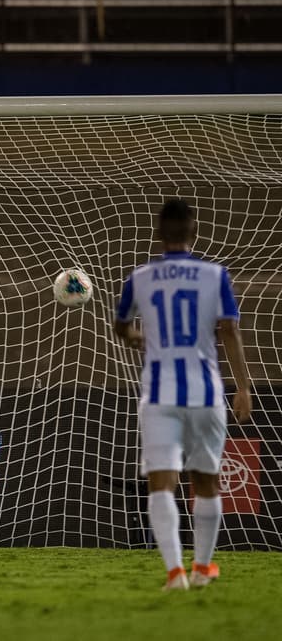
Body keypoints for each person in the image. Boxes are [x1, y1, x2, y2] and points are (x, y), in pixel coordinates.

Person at [114, 198, 252, 590]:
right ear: (194, 233)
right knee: (206, 480)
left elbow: (121, 328)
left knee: (162, 483)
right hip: (205, 392)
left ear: (159, 234)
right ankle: (202, 568)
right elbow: (229, 331)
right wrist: (242, 387)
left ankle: (175, 573)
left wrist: (143, 336)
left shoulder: (139, 278)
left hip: (159, 395)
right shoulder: (215, 275)